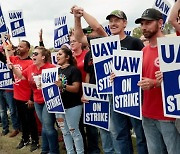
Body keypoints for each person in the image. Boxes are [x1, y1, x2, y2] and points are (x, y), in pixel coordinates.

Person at [136, 8, 180, 154]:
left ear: (160, 22)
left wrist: (156, 83)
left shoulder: (173, 47)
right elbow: (138, 78)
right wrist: (117, 77)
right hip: (147, 114)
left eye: (148, 23)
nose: (143, 27)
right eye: (142, 23)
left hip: (168, 115)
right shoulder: (143, 51)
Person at [71, 6, 115, 154]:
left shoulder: (107, 41)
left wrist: (82, 13)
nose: (89, 34)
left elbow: (97, 26)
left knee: (114, 127)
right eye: (88, 32)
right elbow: (89, 74)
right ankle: (109, 151)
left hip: (112, 91)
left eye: (91, 31)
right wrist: (76, 18)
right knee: (102, 127)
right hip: (97, 92)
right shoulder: (90, 54)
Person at [10, 46, 60, 154]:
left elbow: (60, 83)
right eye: (33, 54)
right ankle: (45, 149)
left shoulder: (51, 67)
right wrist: (13, 68)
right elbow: (21, 77)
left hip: (49, 100)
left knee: (48, 126)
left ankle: (54, 151)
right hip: (37, 101)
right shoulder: (31, 68)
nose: (33, 55)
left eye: (36, 54)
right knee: (45, 127)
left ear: (43, 57)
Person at [0, 40, 39, 152]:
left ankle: (35, 140)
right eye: (18, 46)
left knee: (31, 120)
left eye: (21, 47)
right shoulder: (14, 59)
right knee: (23, 120)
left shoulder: (31, 63)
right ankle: (25, 138)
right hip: (17, 95)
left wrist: (31, 98)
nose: (18, 48)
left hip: (28, 97)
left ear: (27, 49)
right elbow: (3, 58)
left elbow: (33, 83)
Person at [55, 47, 84, 154]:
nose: (57, 56)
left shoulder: (74, 70)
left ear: (67, 57)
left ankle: (80, 152)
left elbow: (76, 89)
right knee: (65, 132)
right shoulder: (56, 71)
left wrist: (62, 85)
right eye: (57, 54)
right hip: (59, 106)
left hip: (73, 106)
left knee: (74, 131)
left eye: (60, 54)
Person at [0, 44, 20, 137]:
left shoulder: (13, 60)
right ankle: (5, 128)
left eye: (7, 50)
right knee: (2, 110)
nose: (5, 52)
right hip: (0, 88)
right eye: (4, 51)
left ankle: (16, 128)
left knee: (12, 109)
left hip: (9, 88)